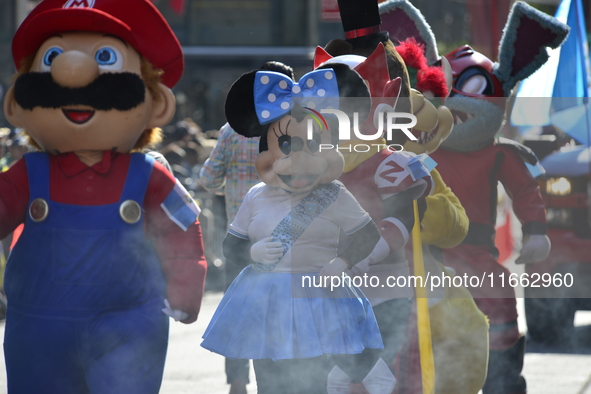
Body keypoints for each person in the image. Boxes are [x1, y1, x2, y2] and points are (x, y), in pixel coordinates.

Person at [1, 1, 207, 392]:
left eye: (106, 59)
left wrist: (185, 285)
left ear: (157, 104)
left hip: (127, 323)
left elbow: (180, 230)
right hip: (39, 329)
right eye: (54, 58)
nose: (73, 71)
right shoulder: (27, 175)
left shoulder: (151, 176)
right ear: (15, 105)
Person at [201, 64, 384, 394]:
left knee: (311, 381)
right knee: (271, 382)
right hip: (266, 303)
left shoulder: (335, 194)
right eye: (286, 145)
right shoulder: (256, 197)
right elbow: (231, 245)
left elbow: (367, 234)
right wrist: (252, 252)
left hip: (318, 302)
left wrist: (341, 263)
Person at [199, 60, 295, 394]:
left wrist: (232, 188)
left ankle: (238, 382)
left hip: (239, 239)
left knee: (238, 312)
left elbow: (209, 180)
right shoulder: (296, 128)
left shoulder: (229, 130)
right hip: (289, 235)